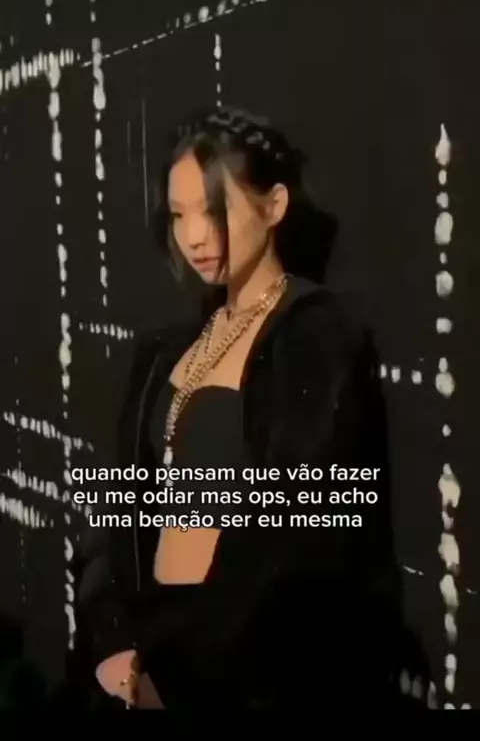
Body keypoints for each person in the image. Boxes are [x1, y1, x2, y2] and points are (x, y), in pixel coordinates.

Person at [77, 105, 406, 710]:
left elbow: (300, 533)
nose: (195, 236)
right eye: (179, 215)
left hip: (244, 669)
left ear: (274, 205)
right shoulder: (167, 348)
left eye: (214, 210)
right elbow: (118, 511)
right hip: (145, 656)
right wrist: (114, 642)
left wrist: (175, 672)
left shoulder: (314, 333)